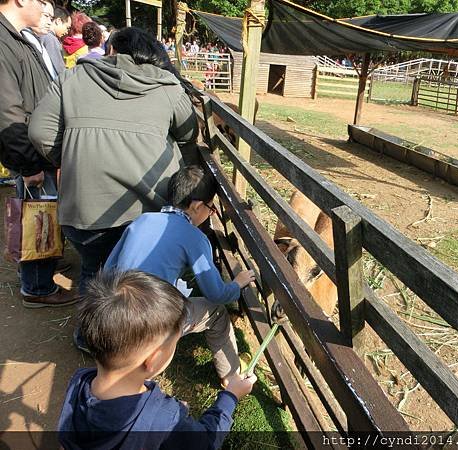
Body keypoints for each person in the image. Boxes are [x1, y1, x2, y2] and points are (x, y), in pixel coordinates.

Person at [29, 26, 199, 295]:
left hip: (84, 209)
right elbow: (189, 131)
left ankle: (90, 335)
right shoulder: (168, 86)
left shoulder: (72, 78)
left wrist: (73, 156)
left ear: (111, 50)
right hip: (147, 208)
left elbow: (40, 132)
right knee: (139, 282)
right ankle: (135, 333)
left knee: (93, 272)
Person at [58, 270, 257, 450]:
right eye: (174, 343)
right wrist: (230, 396)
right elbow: (206, 441)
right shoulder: (164, 421)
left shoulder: (79, 382)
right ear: (153, 359)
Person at [105, 166, 255, 382]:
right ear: (196, 205)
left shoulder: (142, 220)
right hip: (149, 326)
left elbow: (109, 269)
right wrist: (236, 285)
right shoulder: (194, 236)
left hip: (114, 315)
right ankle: (231, 376)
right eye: (211, 208)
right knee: (217, 313)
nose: (210, 213)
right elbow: (215, 293)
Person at [0, 0, 77, 307]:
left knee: (44, 215)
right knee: (38, 217)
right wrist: (28, 162)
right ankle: (37, 287)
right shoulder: (5, 40)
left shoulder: (18, 36)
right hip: (31, 153)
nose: (46, 11)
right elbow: (8, 112)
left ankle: (40, 268)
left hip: (36, 147)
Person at [21, 0, 56, 79]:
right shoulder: (22, 38)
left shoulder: (36, 40)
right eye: (46, 16)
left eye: (51, 18)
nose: (49, 23)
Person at [40, 5, 69, 76]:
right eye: (67, 27)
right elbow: (60, 70)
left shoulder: (42, 35)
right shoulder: (50, 39)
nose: (67, 32)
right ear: (58, 21)